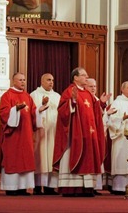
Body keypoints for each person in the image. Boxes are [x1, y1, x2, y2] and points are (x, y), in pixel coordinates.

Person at [52, 67, 106, 197]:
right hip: (75, 135)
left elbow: (96, 113)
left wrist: (102, 105)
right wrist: (72, 101)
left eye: (87, 76)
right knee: (75, 155)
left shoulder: (88, 94)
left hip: (89, 133)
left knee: (88, 158)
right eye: (83, 75)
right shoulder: (69, 91)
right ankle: (71, 189)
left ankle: (86, 188)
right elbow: (62, 112)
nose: (86, 77)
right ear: (75, 77)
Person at [0, 72, 47, 196]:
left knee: (25, 159)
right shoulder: (7, 96)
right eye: (20, 80)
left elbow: (33, 112)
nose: (23, 82)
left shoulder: (27, 96)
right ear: (14, 81)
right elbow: (3, 114)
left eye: (24, 80)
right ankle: (11, 188)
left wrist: (39, 111)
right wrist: (15, 110)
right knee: (13, 159)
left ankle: (23, 188)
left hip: (26, 135)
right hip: (13, 136)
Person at [30, 73, 60, 195]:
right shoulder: (34, 95)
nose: (51, 82)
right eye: (48, 80)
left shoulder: (57, 96)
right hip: (40, 131)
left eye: (52, 80)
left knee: (51, 156)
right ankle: (37, 186)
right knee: (40, 157)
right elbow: (31, 112)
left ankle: (50, 187)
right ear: (42, 81)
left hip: (53, 131)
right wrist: (39, 108)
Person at [85, 78, 113, 195]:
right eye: (90, 86)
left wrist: (102, 105)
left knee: (97, 158)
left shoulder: (96, 99)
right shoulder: (85, 98)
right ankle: (88, 186)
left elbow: (100, 119)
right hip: (87, 133)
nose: (93, 88)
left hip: (97, 133)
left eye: (95, 86)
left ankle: (95, 186)